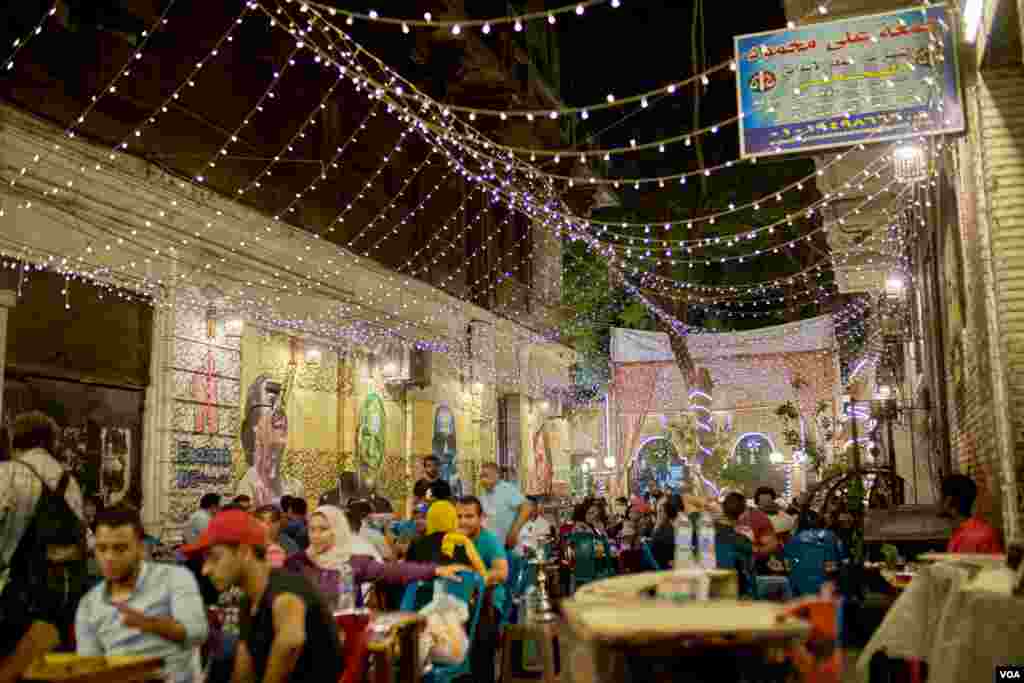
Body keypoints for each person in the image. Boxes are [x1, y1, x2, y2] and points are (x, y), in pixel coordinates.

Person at [184, 510, 343, 683]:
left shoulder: (285, 591)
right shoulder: (248, 600)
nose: (205, 569)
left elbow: (291, 641)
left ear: (244, 552)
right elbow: (244, 669)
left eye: (214, 558)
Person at [76, 506, 208, 683]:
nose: (109, 557)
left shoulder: (174, 579)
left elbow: (197, 632)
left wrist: (151, 625)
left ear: (140, 548)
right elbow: (90, 668)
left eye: (120, 549)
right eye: (102, 548)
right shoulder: (89, 605)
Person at [0, 436, 89, 683]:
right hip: (65, 600)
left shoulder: (11, 473)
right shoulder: (69, 482)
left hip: (27, 597)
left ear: (17, 446)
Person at [284, 505, 470, 609]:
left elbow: (394, 571)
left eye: (323, 529)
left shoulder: (353, 562)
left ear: (338, 531)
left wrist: (435, 569)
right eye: (312, 529)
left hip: (343, 641)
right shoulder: (296, 564)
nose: (316, 535)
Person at [457, 497, 508, 683]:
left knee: (479, 635)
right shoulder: (453, 540)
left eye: (469, 516)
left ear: (480, 518)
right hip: (459, 600)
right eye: (459, 516)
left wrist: (478, 579)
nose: (463, 521)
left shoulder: (489, 541)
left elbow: (502, 572)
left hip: (487, 602)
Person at [236, 375, 305, 507]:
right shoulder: (249, 485)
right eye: (269, 426)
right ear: (246, 434)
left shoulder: (295, 487)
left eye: (281, 428)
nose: (277, 439)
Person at [941, 474, 1003, 553]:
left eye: (941, 497)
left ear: (948, 500)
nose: (939, 502)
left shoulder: (966, 537)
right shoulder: (984, 530)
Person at [478, 462, 532, 550]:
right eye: (481, 477)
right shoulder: (483, 496)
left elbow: (527, 507)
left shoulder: (506, 489)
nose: (483, 480)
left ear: (496, 475)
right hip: (493, 545)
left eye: (486, 476)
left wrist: (514, 531)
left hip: (510, 545)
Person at [716, 492, 755, 595]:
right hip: (735, 591)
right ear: (742, 514)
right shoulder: (743, 540)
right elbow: (749, 571)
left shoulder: (706, 531)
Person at [651, 494, 685, 569]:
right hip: (667, 565)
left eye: (661, 511)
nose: (659, 514)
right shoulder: (662, 530)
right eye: (658, 511)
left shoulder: (667, 527)